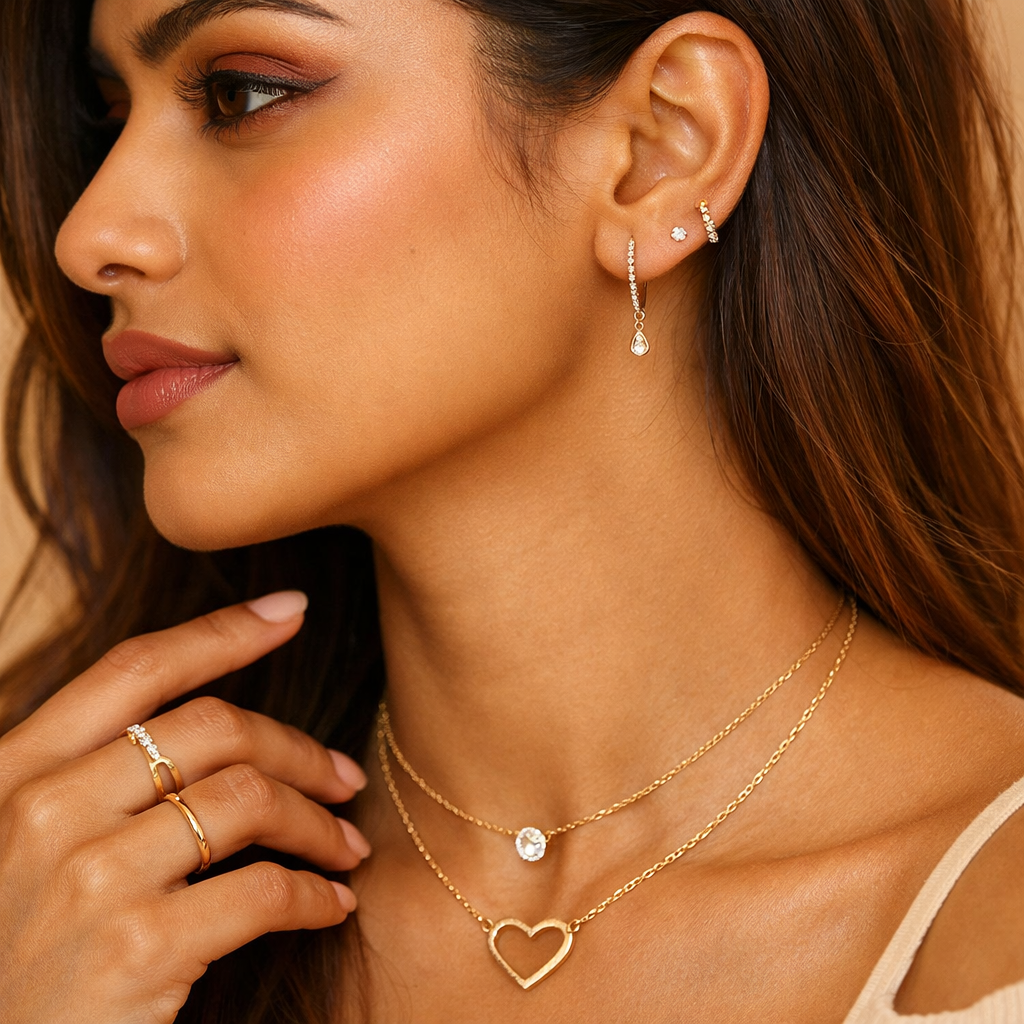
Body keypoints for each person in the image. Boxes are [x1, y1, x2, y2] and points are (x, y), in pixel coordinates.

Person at [0, 0, 1022, 1020]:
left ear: (663, 146)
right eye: (109, 117)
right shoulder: (71, 910)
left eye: (242, 95)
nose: (88, 237)